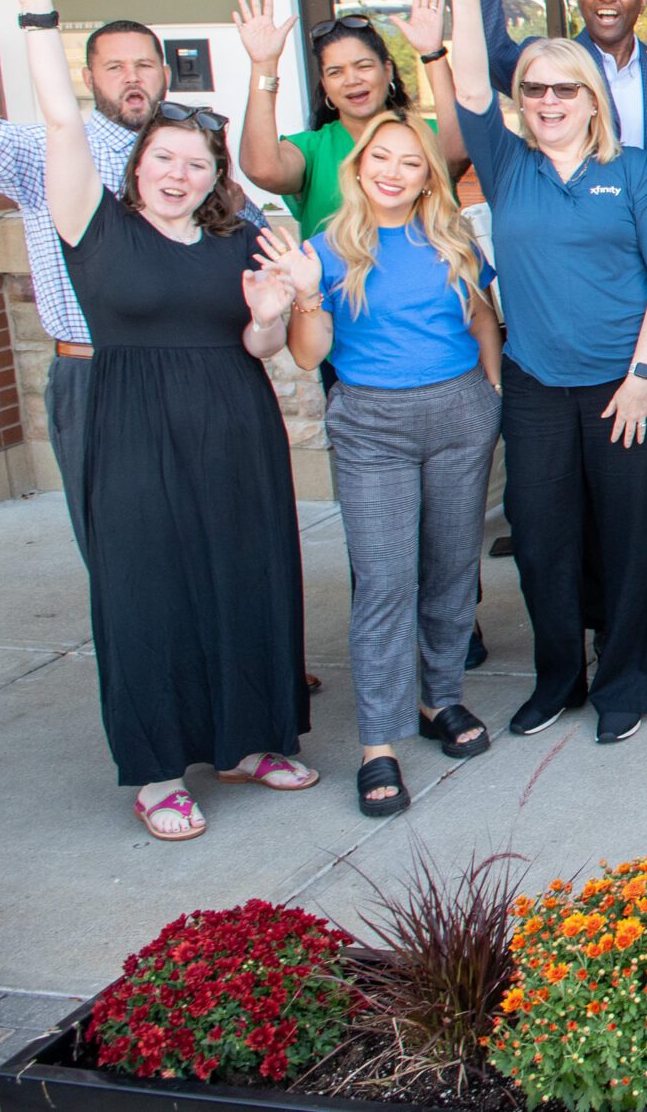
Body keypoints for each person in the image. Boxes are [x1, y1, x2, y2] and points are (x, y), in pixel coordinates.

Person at [0, 0, 315, 842]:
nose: (179, 172)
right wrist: (35, 11)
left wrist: (269, 308)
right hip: (130, 422)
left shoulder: (235, 243)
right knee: (144, 587)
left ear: (215, 174)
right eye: (164, 159)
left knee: (247, 574)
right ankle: (155, 770)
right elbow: (60, 117)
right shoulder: (95, 228)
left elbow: (260, 345)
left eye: (197, 162)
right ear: (136, 168)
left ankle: (250, 739)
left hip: (232, 419)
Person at [440, 0, 647, 747]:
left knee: (628, 540)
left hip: (630, 381)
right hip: (539, 384)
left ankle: (626, 681)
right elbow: (471, 74)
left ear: (591, 97)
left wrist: (638, 375)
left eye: (565, 88)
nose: (548, 100)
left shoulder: (633, 169)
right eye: (536, 89)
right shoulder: (507, 163)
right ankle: (559, 677)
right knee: (543, 541)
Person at [260, 116, 502, 817]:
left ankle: (441, 698)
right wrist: (307, 291)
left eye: (410, 162)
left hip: (459, 413)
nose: (394, 172)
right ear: (359, 166)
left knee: (453, 565)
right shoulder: (327, 247)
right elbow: (308, 355)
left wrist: (488, 390)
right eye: (381, 159)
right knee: (386, 578)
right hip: (373, 424)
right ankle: (378, 742)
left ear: (429, 173)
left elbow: (483, 314)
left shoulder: (452, 235)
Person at [0, 15, 167, 561]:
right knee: (113, 545)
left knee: (198, 534)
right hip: (91, 371)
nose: (131, 77)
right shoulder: (44, 151)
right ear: (89, 78)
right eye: (114, 67)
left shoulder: (196, 151)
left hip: (186, 368)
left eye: (143, 65)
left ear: (164, 73)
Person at [234, 0, 467, 234]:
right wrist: (264, 64)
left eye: (363, 66)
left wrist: (432, 54)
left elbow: (456, 154)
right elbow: (263, 170)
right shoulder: (313, 149)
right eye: (336, 72)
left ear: (387, 71)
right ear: (325, 86)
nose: (352, 79)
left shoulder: (423, 134)